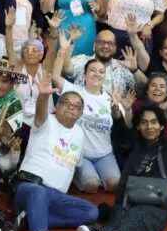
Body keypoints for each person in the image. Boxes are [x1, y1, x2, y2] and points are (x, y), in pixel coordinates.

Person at [77, 103, 167, 231]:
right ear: (138, 126)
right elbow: (121, 135)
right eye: (144, 122)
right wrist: (116, 113)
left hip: (154, 207)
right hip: (126, 201)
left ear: (162, 126)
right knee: (119, 218)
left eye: (154, 122)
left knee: (136, 220)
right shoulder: (133, 145)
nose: (149, 127)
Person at [12, 75, 99, 231]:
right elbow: (40, 112)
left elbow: (76, 165)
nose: (71, 107)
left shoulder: (79, 134)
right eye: (66, 103)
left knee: (92, 212)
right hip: (31, 188)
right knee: (39, 193)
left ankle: (28, 219)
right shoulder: (46, 122)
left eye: (76, 106)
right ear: (57, 106)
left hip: (56, 196)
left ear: (80, 113)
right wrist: (43, 96)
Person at [51, 39, 123, 193]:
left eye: (101, 72)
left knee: (114, 185)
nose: (97, 74)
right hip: (81, 154)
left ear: (105, 76)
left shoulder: (111, 98)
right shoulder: (75, 91)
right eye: (92, 70)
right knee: (92, 185)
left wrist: (123, 108)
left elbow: (125, 123)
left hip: (104, 154)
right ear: (84, 75)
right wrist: (63, 50)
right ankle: (78, 174)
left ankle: (99, 176)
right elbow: (56, 77)